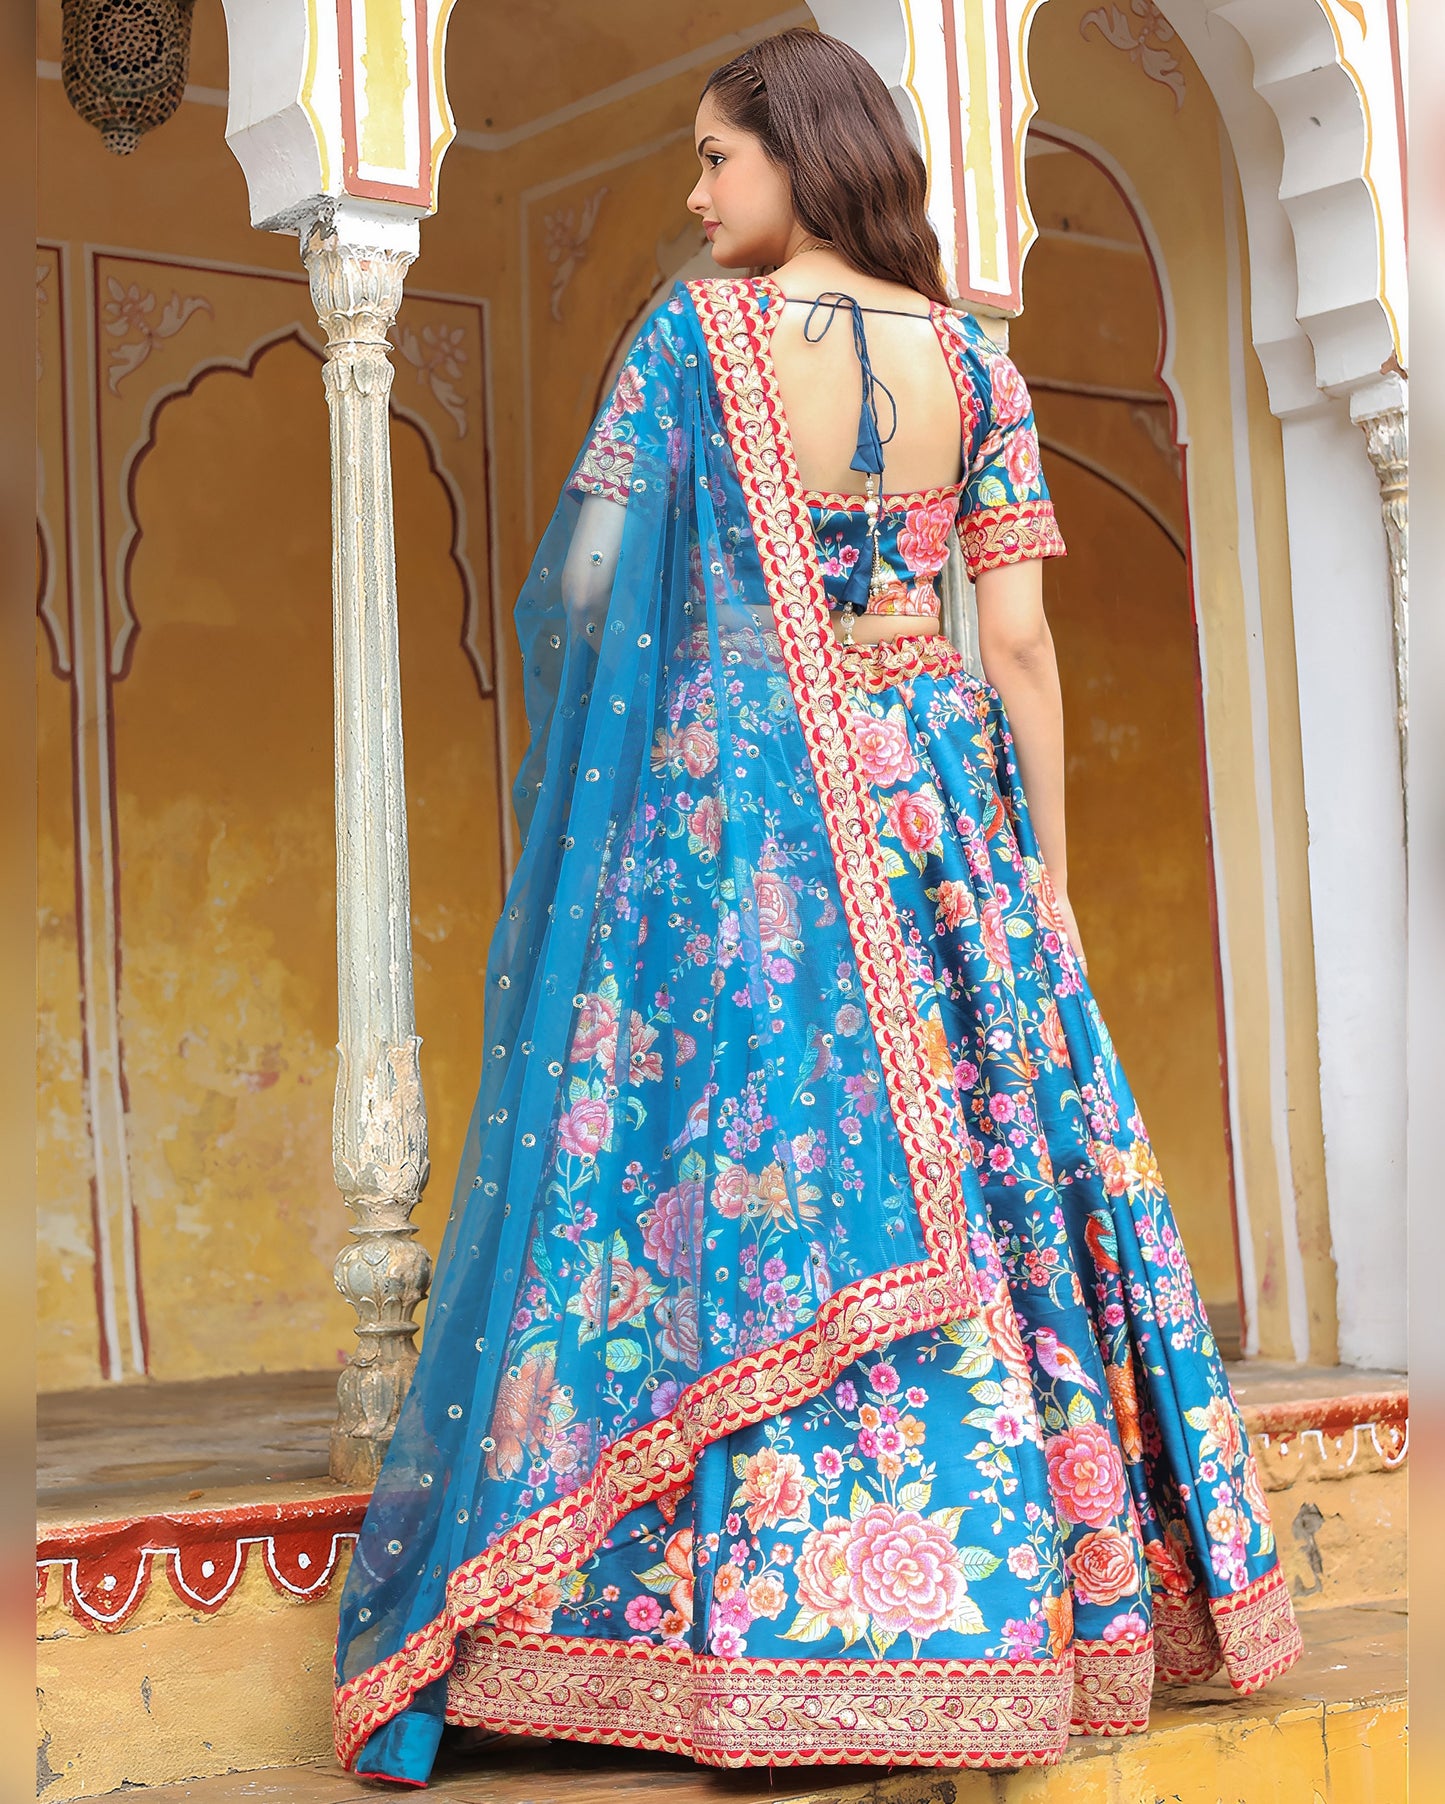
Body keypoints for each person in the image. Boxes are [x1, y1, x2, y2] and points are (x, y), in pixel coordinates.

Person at [332, 28, 1301, 1784]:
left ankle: (708, 1624)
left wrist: (712, 650)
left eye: (719, 156)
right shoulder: (977, 364)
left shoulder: (693, 341)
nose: (699, 191)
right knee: (986, 1151)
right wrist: (1043, 878)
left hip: (747, 817)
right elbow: (1017, 647)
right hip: (940, 811)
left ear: (799, 153)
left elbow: (591, 583)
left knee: (733, 1163)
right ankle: (1015, 1609)